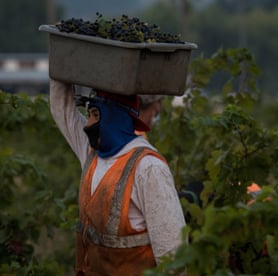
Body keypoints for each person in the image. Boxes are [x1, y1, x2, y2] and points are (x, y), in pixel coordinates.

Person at [49, 79, 186, 275]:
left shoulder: (149, 168)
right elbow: (61, 108)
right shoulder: (91, 152)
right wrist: (61, 64)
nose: (87, 124)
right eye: (89, 114)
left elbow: (173, 253)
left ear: (115, 117)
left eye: (95, 114)